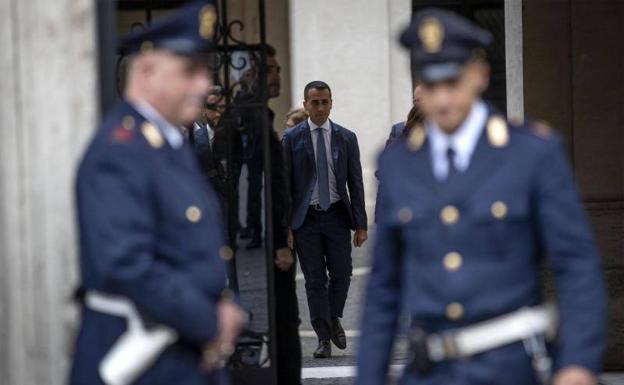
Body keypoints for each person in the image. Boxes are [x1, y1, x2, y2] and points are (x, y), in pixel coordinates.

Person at [357, 8, 606, 385]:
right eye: (431, 84)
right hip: (427, 373)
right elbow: (384, 289)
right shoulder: (398, 164)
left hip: (511, 368)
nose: (442, 100)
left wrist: (578, 364)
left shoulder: (531, 154)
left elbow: (576, 266)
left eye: (452, 82)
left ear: (480, 75)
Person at [69, 2, 247, 384]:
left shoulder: (165, 144)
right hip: (144, 363)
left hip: (184, 358)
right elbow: (124, 264)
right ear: (147, 71)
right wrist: (210, 320)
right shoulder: (119, 151)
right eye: (189, 71)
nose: (204, 85)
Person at [283, 81, 368, 358]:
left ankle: (334, 318)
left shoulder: (346, 138)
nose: (320, 107)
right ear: (305, 104)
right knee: (314, 280)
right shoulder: (292, 138)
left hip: (336, 217)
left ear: (331, 103)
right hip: (305, 220)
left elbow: (356, 182)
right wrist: (287, 226)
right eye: (314, 102)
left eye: (325, 102)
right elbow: (284, 185)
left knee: (342, 274)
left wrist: (361, 224)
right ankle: (323, 338)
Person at [188, 86, 228, 205]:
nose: (217, 114)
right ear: (204, 110)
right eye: (212, 108)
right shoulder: (194, 139)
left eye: (221, 108)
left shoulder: (238, 136)